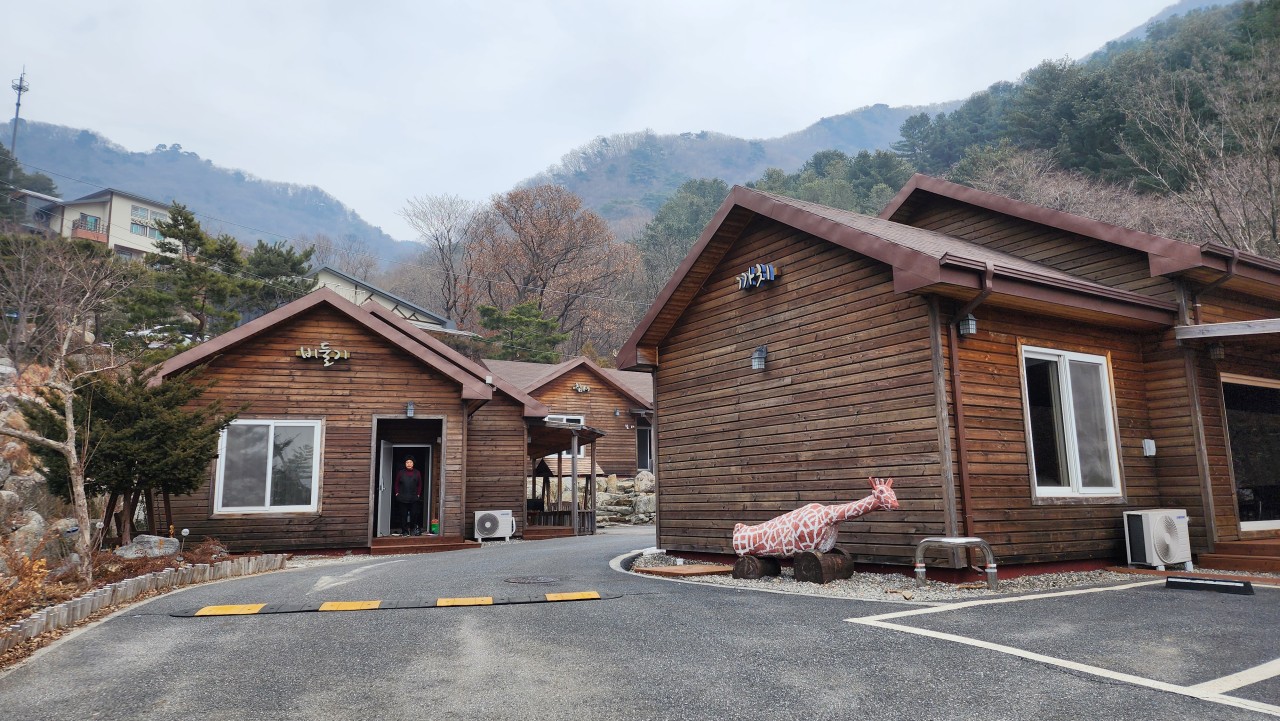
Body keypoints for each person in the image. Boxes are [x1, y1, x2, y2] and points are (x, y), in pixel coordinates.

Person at [392, 456, 424, 535]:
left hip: (414, 497)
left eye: (410, 462)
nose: (409, 464)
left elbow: (420, 485)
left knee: (414, 514)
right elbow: (396, 484)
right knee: (403, 515)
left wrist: (418, 494)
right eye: (407, 462)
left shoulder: (417, 473)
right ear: (405, 464)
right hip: (402, 497)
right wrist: (397, 493)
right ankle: (404, 531)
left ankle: (412, 529)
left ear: (413, 464)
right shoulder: (401, 473)